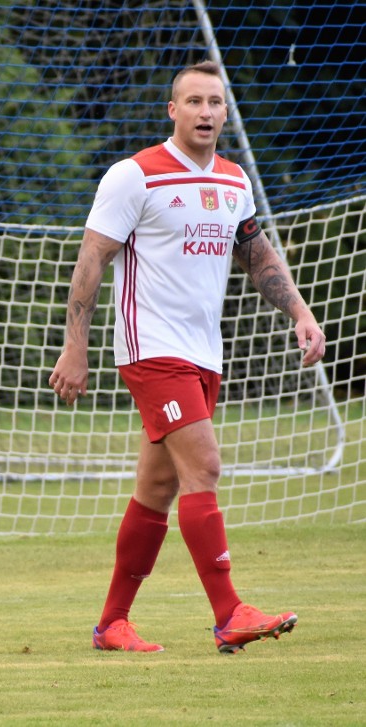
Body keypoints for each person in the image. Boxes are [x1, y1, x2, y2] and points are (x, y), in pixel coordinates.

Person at [49, 60, 326, 654]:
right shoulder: (134, 175)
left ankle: (112, 625)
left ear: (225, 112)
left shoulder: (232, 181)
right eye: (193, 102)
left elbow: (257, 258)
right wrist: (77, 347)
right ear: (172, 111)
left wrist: (300, 313)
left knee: (157, 488)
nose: (204, 112)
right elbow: (91, 259)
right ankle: (230, 613)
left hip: (204, 354)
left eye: (214, 103)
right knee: (206, 467)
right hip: (151, 349)